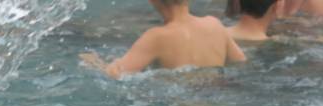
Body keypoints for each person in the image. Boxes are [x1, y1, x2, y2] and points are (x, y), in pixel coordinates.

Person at [79, 0, 246, 78]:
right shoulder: (214, 24)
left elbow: (117, 74)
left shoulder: (156, 37)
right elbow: (240, 61)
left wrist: (94, 62)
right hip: (212, 100)